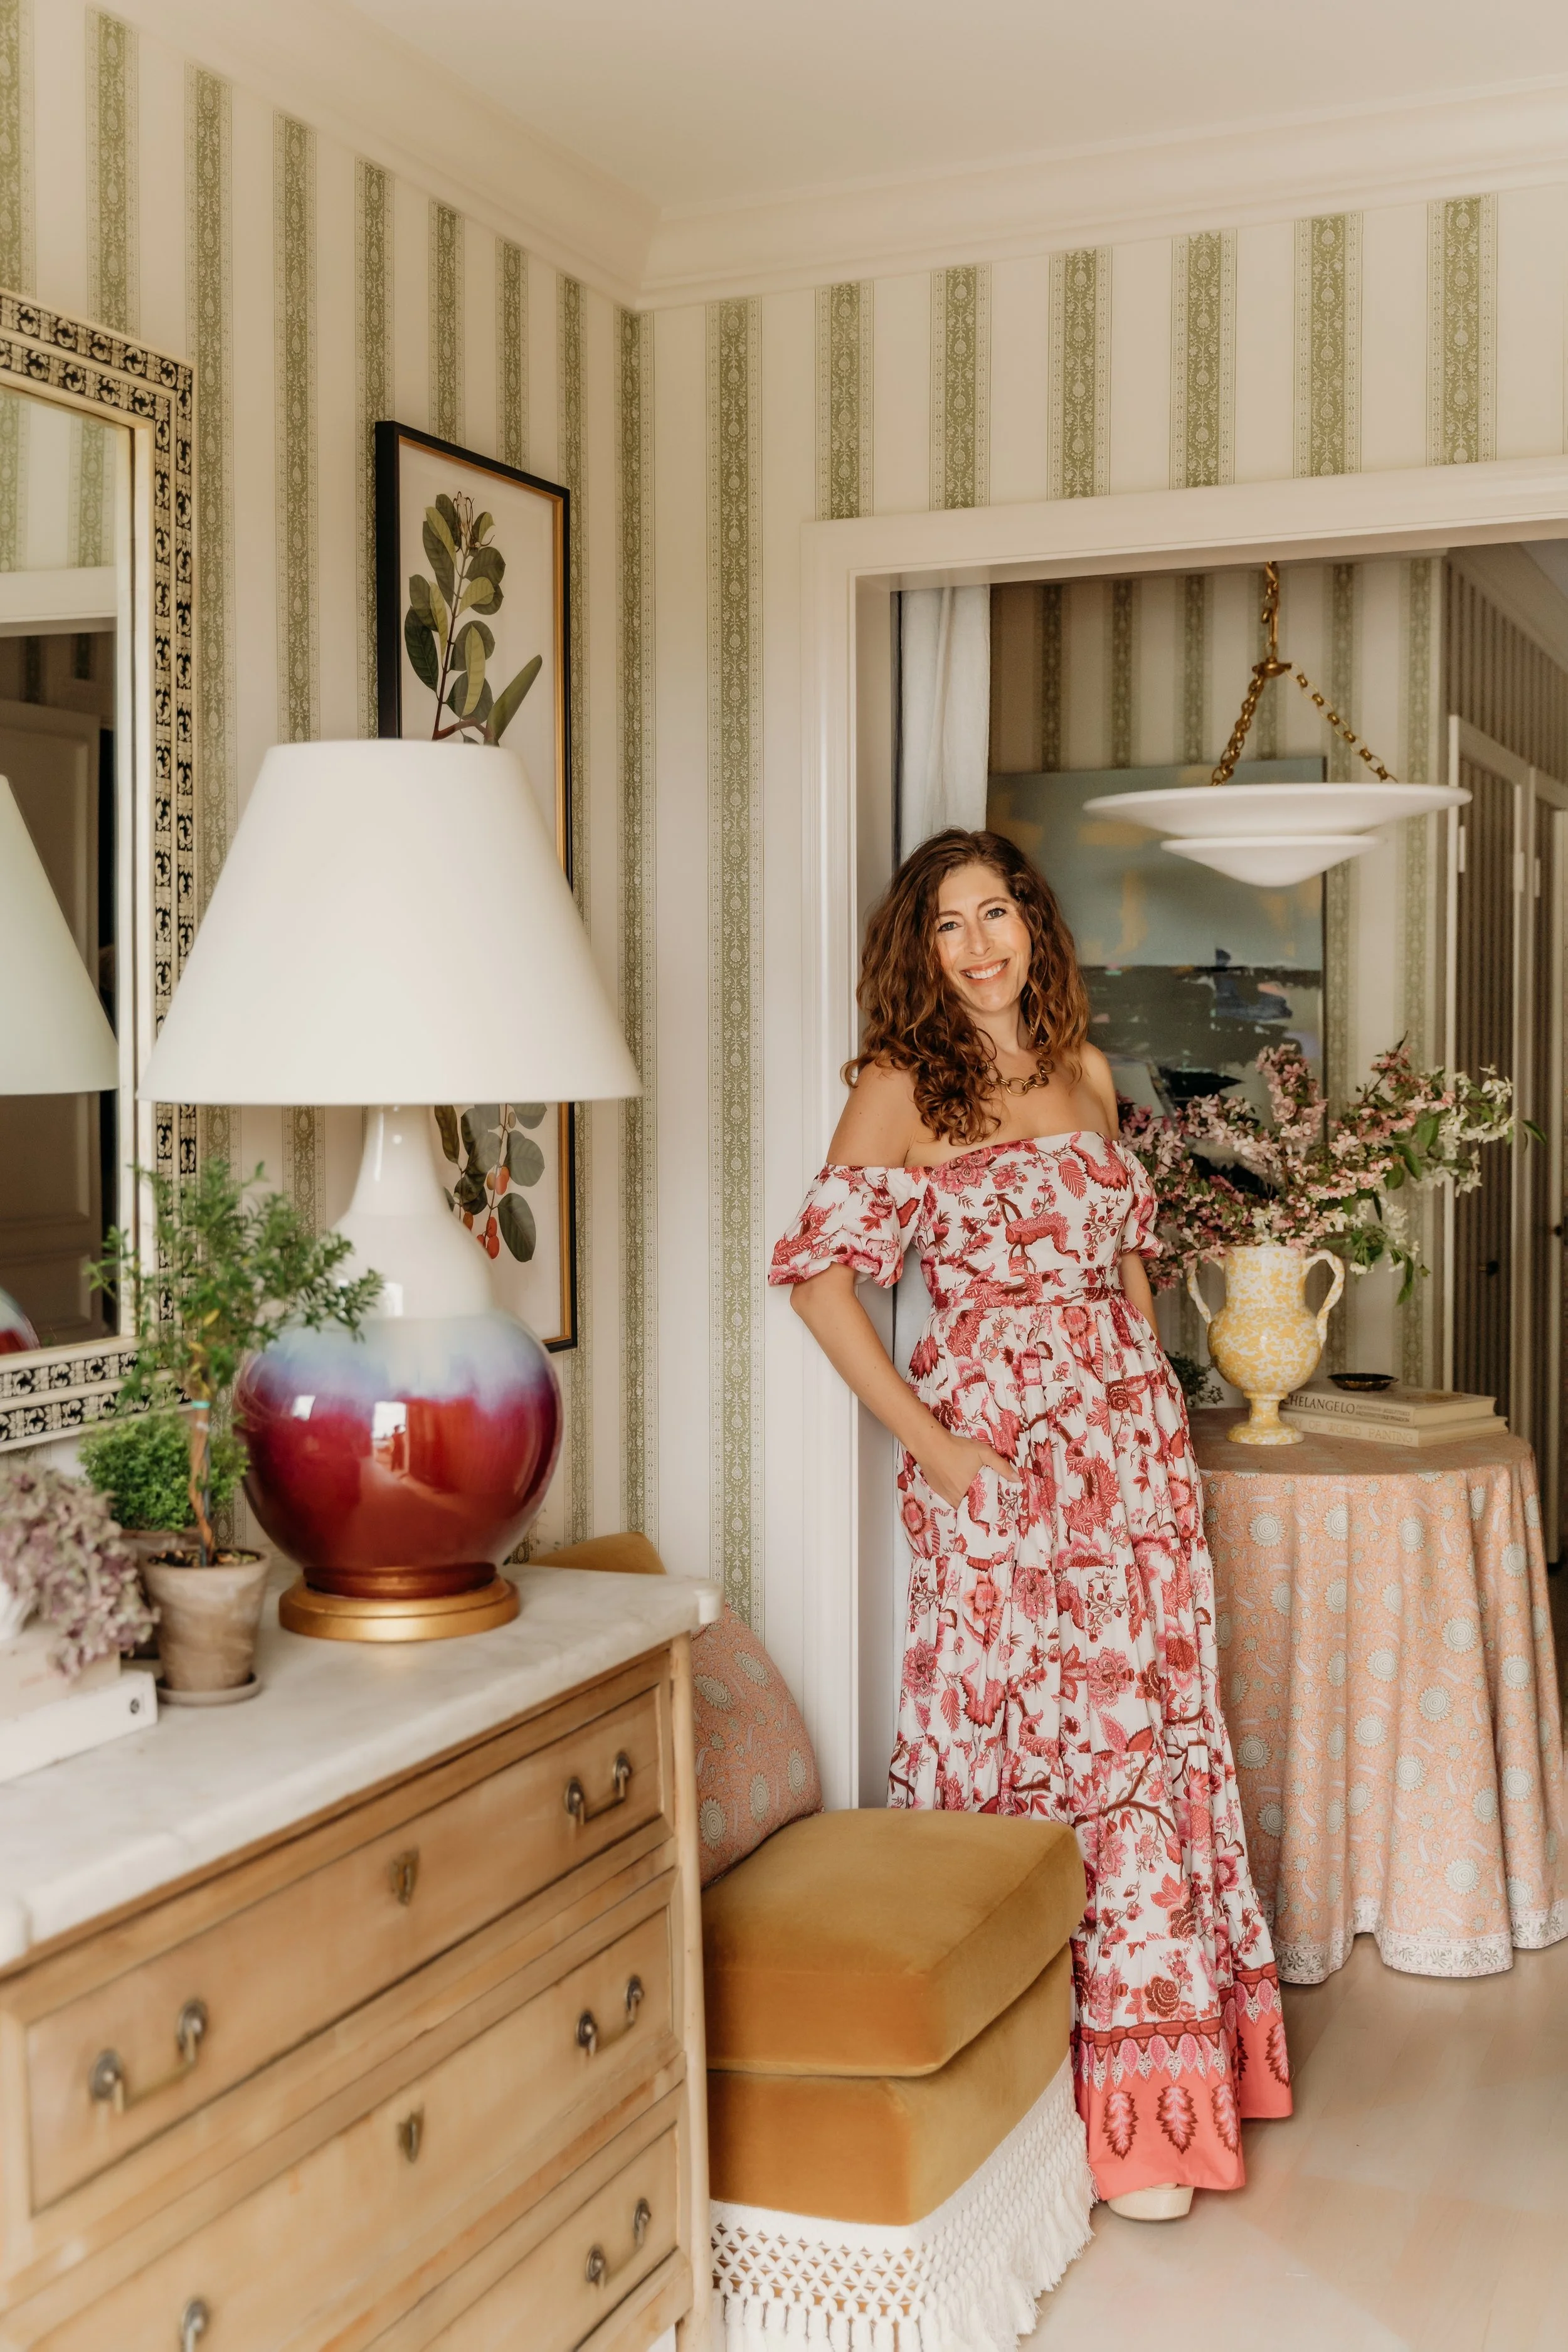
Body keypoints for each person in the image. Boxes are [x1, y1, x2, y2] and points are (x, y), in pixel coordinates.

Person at [769, 827, 1291, 2218]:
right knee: (1017, 1738)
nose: (979, 945)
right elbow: (822, 1280)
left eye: (995, 913)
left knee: (1141, 1736)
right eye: (947, 925)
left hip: (1128, 1460)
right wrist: (934, 1447)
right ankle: (1019, 2094)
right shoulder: (899, 1090)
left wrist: (1157, 1422)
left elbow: (1125, 1266)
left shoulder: (1083, 1073)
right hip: (998, 1468)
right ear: (917, 952)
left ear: (1031, 925)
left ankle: (1147, 2095)